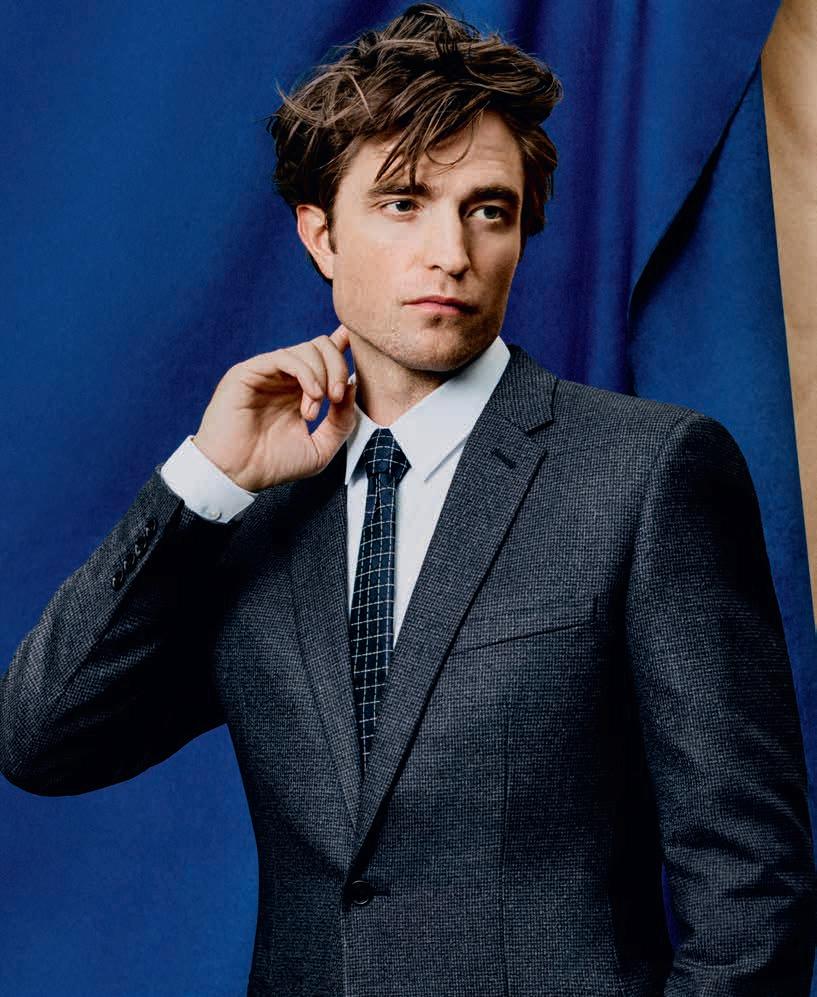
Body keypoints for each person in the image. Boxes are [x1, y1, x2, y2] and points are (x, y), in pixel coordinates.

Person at [1, 4, 815, 995]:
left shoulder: (648, 476)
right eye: (403, 202)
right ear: (320, 235)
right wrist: (205, 478)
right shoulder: (250, 513)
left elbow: (752, 892)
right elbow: (41, 740)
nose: (451, 251)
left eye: (488, 209)